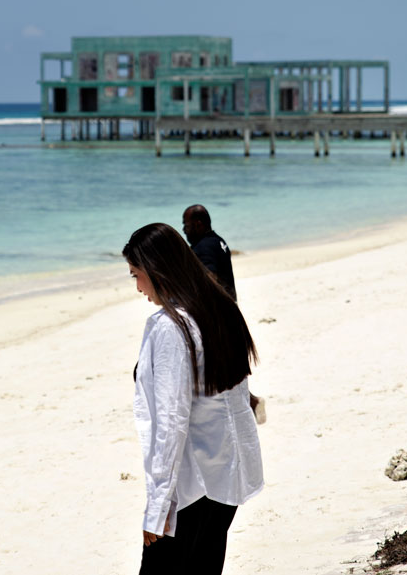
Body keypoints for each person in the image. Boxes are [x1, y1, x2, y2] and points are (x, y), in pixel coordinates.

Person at [123, 223, 264, 575]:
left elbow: (172, 422)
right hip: (226, 479)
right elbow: (238, 396)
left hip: (193, 486)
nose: (138, 287)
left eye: (136, 275)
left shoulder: (172, 327)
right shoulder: (220, 308)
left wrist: (157, 507)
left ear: (156, 271)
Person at [183, 204, 265, 424]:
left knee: (220, 373)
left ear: (198, 224)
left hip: (219, 319)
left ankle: (246, 408)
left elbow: (211, 278)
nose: (184, 230)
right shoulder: (218, 241)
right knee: (231, 371)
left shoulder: (204, 247)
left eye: (186, 225)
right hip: (229, 314)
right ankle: (252, 403)